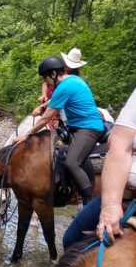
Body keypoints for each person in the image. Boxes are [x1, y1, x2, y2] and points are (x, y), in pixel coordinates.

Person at [15, 55, 104, 205]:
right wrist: (43, 106)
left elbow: (46, 118)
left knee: (72, 162)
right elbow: (54, 99)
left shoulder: (65, 86)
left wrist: (27, 134)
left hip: (88, 128)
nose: (46, 82)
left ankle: (88, 200)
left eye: (45, 78)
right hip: (77, 127)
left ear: (53, 74)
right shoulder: (72, 80)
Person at [63, 88, 136, 249]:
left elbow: (51, 110)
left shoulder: (68, 85)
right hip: (129, 195)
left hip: (89, 129)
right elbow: (120, 143)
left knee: (72, 162)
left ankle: (86, 196)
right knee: (72, 240)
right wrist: (111, 205)